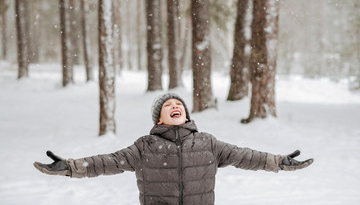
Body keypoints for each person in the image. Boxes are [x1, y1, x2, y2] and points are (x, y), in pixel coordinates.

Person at [34, 93, 314, 205]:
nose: (176, 106)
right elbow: (108, 161)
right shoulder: (145, 147)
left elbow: (246, 156)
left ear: (187, 115)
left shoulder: (207, 143)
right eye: (169, 105)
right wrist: (71, 167)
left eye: (179, 104)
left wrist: (278, 161)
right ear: (159, 118)